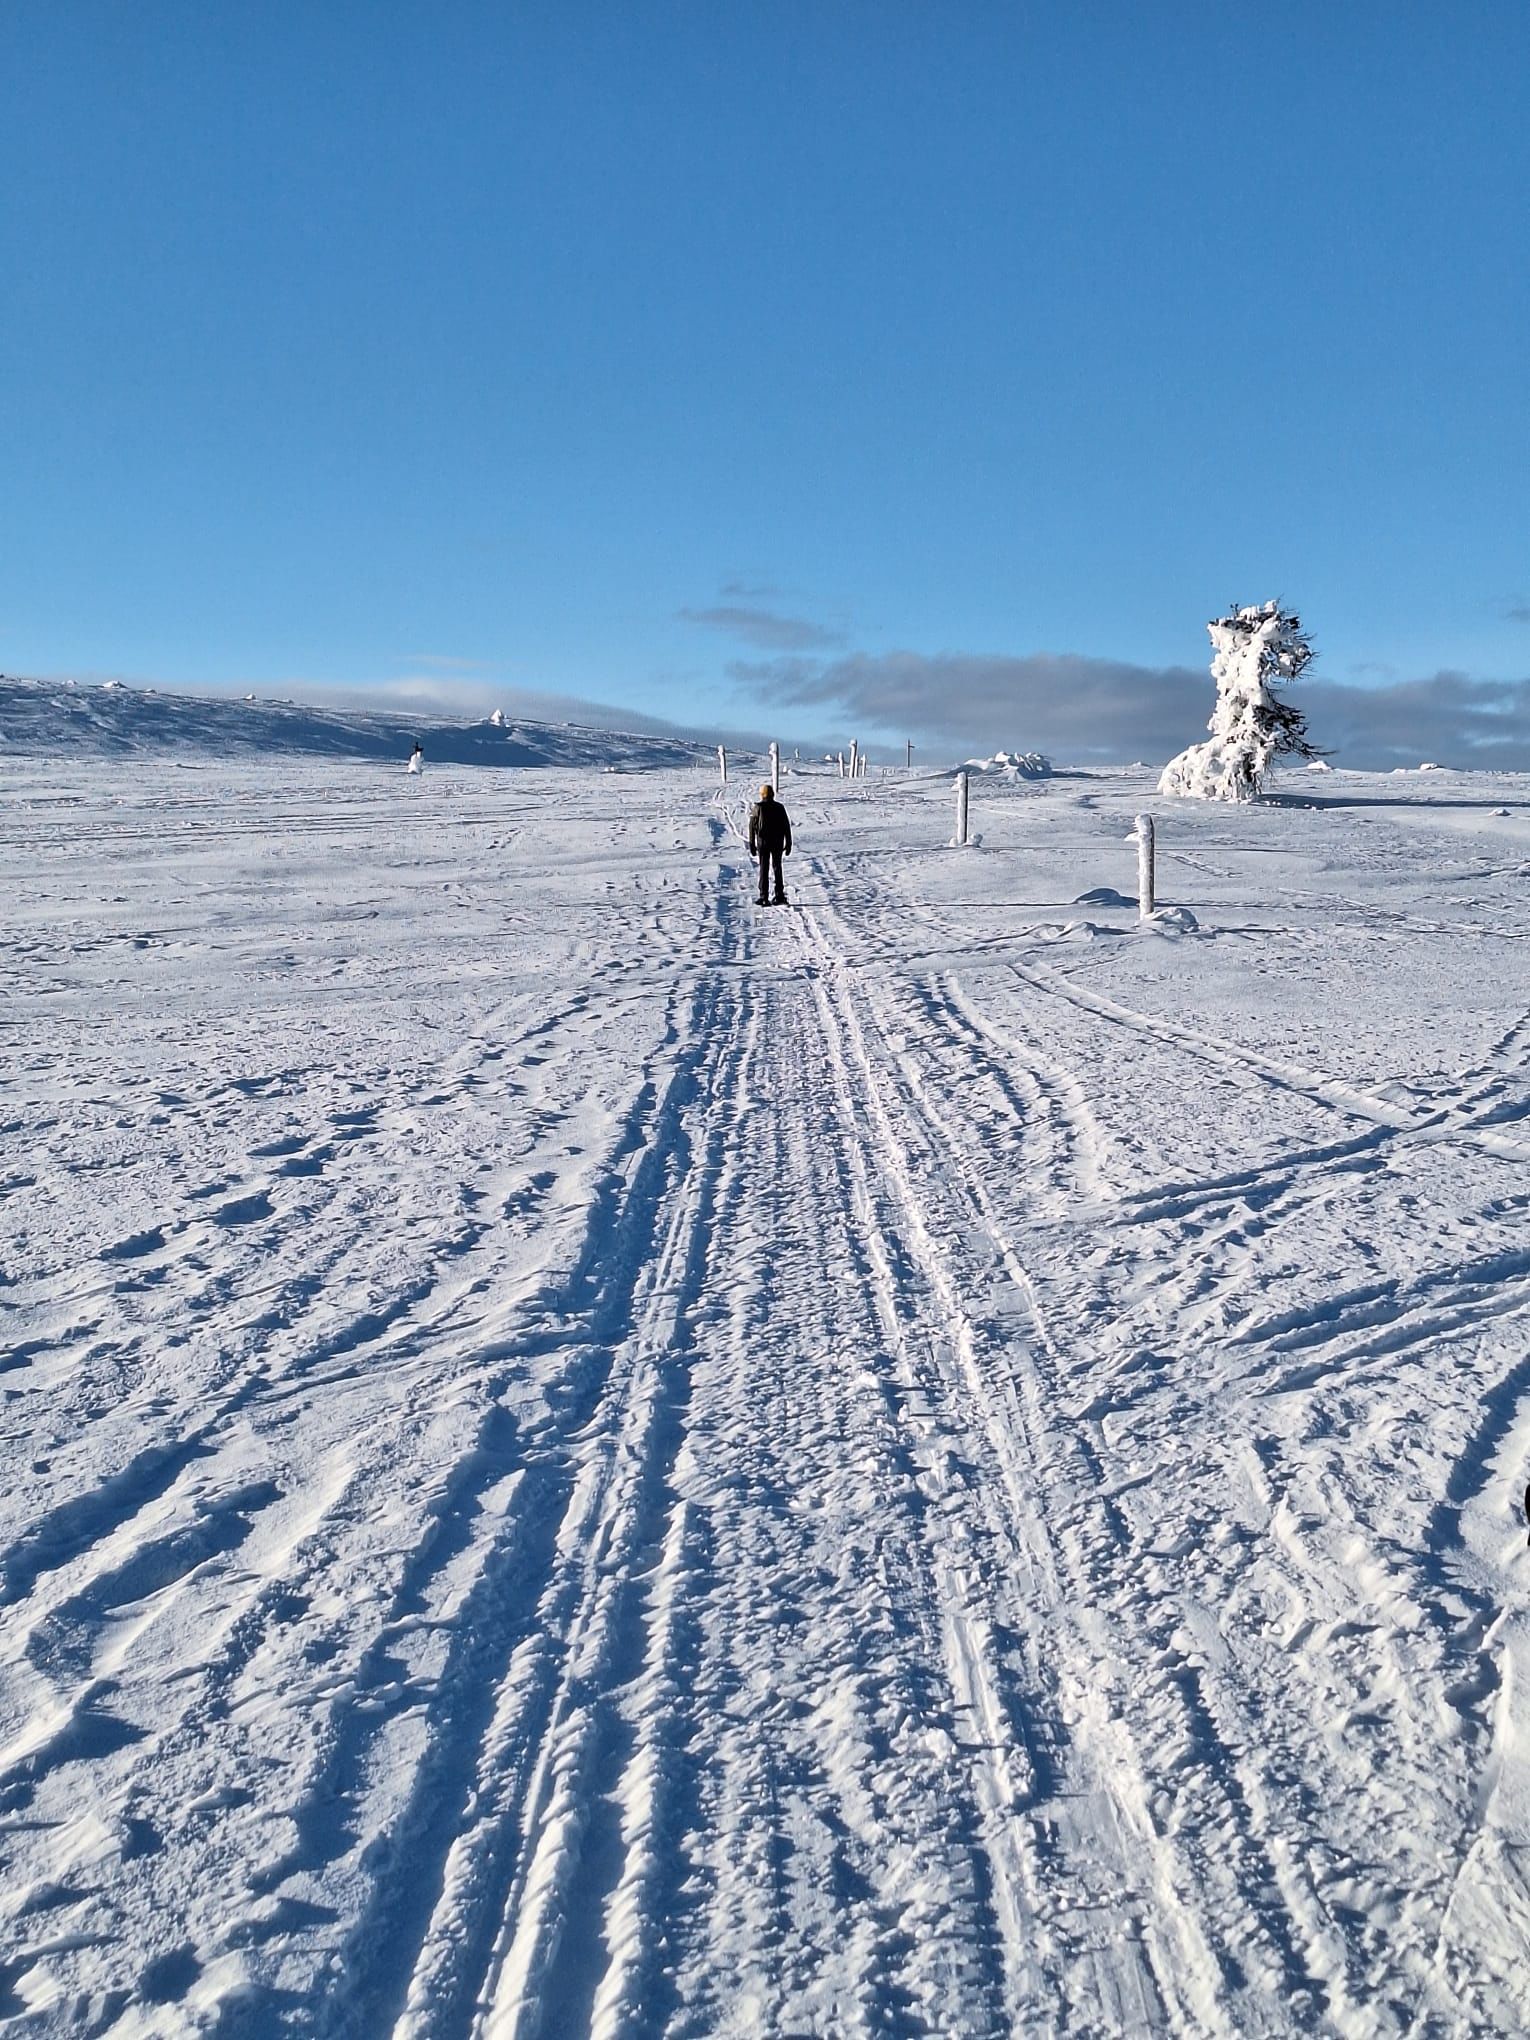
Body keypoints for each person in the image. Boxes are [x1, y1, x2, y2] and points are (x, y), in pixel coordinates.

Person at [747, 782, 792, 905]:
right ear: (772, 794)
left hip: (763, 842)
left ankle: (764, 897)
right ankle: (779, 896)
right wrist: (788, 843)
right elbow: (786, 826)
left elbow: (752, 827)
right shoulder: (780, 807)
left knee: (764, 868)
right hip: (777, 841)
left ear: (762, 795)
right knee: (777, 867)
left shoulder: (757, 808)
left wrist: (752, 844)